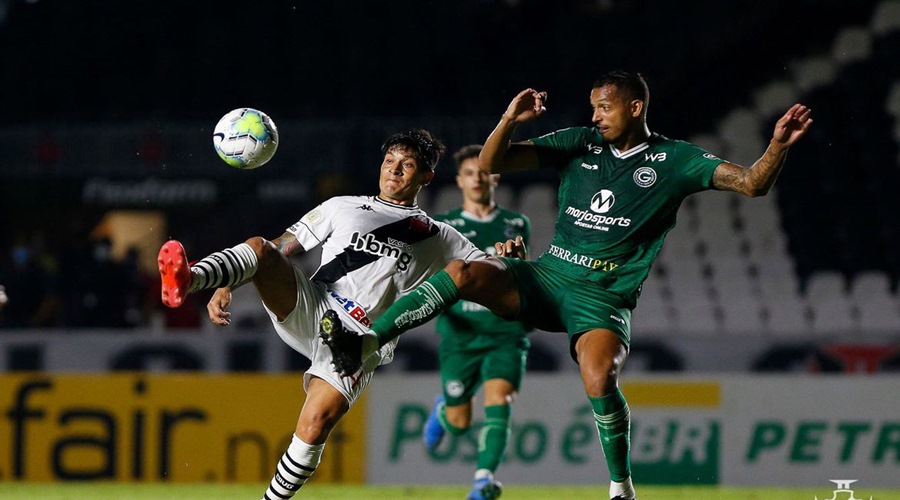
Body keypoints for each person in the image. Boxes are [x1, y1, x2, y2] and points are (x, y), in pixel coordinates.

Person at [318, 70, 813, 500]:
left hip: (602, 298)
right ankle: (364, 345)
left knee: (599, 378)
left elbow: (751, 184)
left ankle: (621, 486)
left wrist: (776, 148)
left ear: (635, 107)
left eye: (604, 107)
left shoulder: (675, 160)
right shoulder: (580, 142)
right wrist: (509, 120)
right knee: (462, 273)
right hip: (548, 276)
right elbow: (493, 164)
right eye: (592, 107)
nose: (595, 116)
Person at [157, 129, 515, 499]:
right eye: (389, 161)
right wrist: (230, 282)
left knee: (315, 424)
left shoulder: (440, 236)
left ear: (426, 177)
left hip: (358, 338)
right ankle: (190, 278)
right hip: (314, 305)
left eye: (406, 165)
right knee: (260, 249)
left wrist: (505, 257)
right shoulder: (341, 206)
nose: (394, 170)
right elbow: (283, 246)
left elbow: (484, 267)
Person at [422, 144, 533, 500]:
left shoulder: (517, 224)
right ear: (459, 180)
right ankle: (444, 409)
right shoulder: (445, 225)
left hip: (505, 333)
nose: (477, 178)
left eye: (483, 171)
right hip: (460, 335)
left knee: (501, 401)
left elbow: (518, 274)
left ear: (495, 176)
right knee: (458, 424)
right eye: (469, 173)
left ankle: (484, 480)